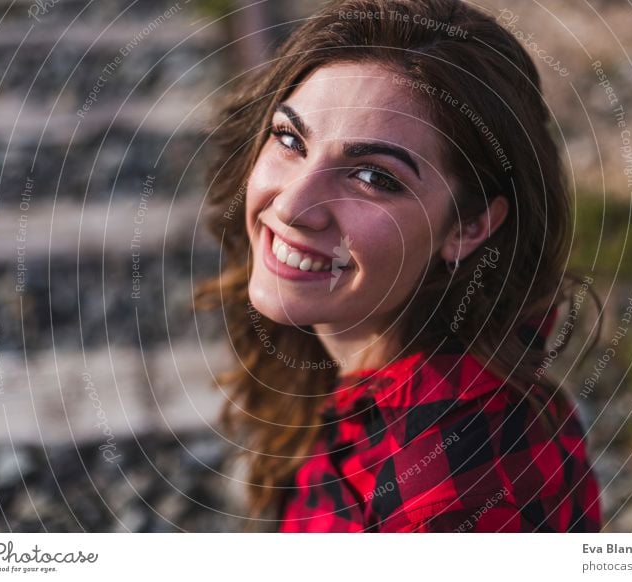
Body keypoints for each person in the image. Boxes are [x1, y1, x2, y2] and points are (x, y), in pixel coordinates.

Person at [197, 0, 601, 532]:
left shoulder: (449, 503)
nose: (293, 206)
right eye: (291, 139)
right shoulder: (358, 371)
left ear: (469, 226)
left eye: (373, 177)